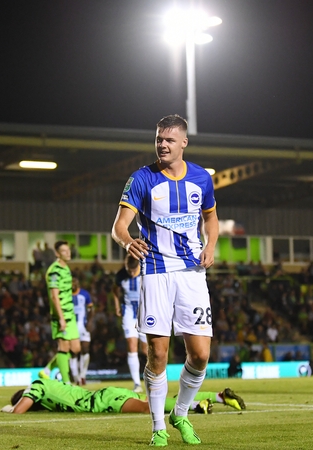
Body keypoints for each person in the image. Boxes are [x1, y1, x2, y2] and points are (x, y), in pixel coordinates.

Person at [111, 114, 219, 447]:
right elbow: (119, 226)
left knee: (200, 354)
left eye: (169, 140)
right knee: (157, 354)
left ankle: (180, 413)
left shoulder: (201, 178)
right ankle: (158, 427)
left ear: (183, 142)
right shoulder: (142, 179)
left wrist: (211, 245)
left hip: (192, 273)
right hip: (156, 271)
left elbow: (211, 219)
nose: (162, 144)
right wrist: (128, 242)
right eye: (159, 139)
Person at [1, 378, 245, 415]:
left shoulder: (36, 386)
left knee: (149, 407)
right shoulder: (52, 384)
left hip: (102, 401)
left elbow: (21, 409)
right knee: (153, 400)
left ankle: (195, 406)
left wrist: (11, 408)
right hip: (107, 394)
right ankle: (219, 396)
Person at [38, 241, 80, 384]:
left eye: (68, 250)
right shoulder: (54, 271)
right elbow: (54, 296)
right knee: (63, 348)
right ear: (57, 253)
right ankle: (66, 383)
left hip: (70, 314)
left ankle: (47, 370)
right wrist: (61, 318)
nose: (68, 253)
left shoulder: (66, 268)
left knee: (76, 348)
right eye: (64, 251)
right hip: (60, 315)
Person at [113, 255, 148, 393]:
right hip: (129, 314)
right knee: (131, 345)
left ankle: (154, 379)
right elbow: (115, 289)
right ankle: (137, 384)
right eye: (129, 270)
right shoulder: (121, 275)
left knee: (146, 350)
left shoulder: (146, 272)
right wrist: (117, 305)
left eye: (134, 270)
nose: (132, 273)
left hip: (145, 314)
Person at [70, 277, 93, 385]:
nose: (72, 286)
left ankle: (83, 375)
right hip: (71, 327)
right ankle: (75, 377)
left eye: (74, 284)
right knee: (73, 352)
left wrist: (90, 322)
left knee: (85, 349)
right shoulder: (66, 295)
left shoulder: (85, 294)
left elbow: (91, 309)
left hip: (83, 325)